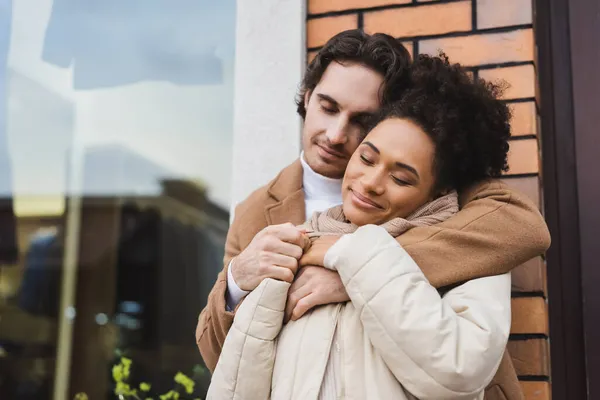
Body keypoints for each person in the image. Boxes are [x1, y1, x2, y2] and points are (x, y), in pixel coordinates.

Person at [196, 30, 550, 399]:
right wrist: (237, 282)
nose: (335, 135)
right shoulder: (256, 210)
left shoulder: (453, 193)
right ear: (307, 96)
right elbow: (223, 360)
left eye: (361, 120)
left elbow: (523, 228)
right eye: (328, 107)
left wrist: (351, 271)